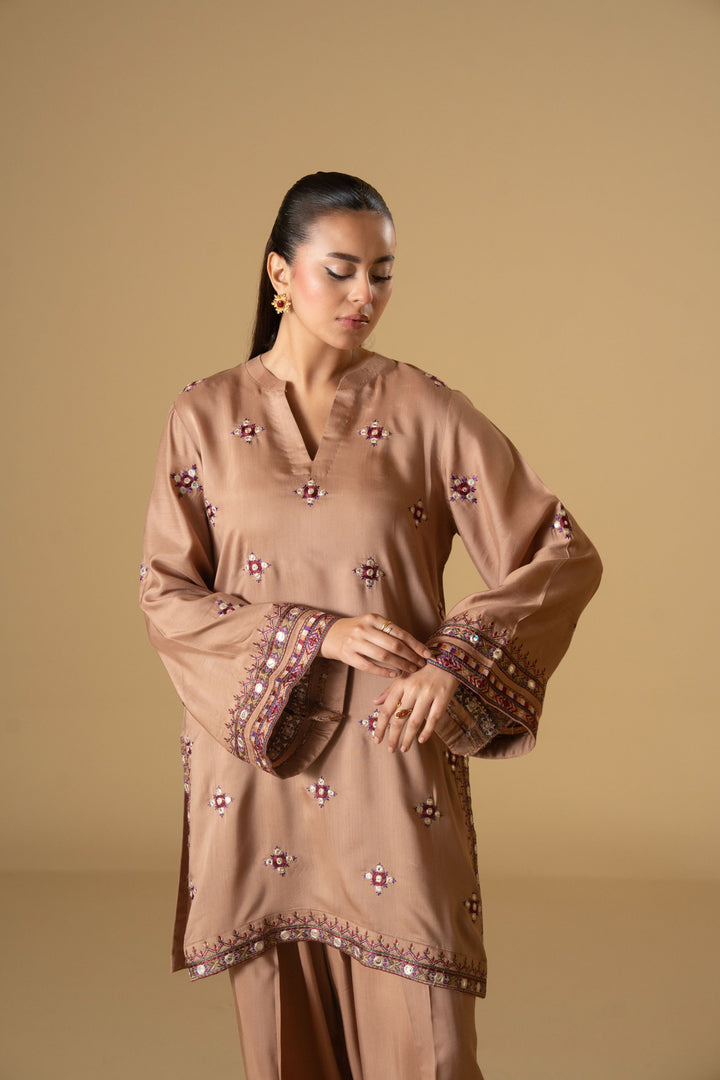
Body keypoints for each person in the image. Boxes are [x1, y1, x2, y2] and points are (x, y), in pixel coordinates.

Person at [139, 171, 602, 1079]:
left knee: (429, 1052)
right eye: (341, 270)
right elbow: (167, 593)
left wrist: (453, 665)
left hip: (391, 762)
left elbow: (560, 554)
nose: (365, 295)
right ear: (281, 274)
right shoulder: (202, 416)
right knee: (286, 1049)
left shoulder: (425, 410)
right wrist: (316, 634)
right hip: (259, 773)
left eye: (382, 274)